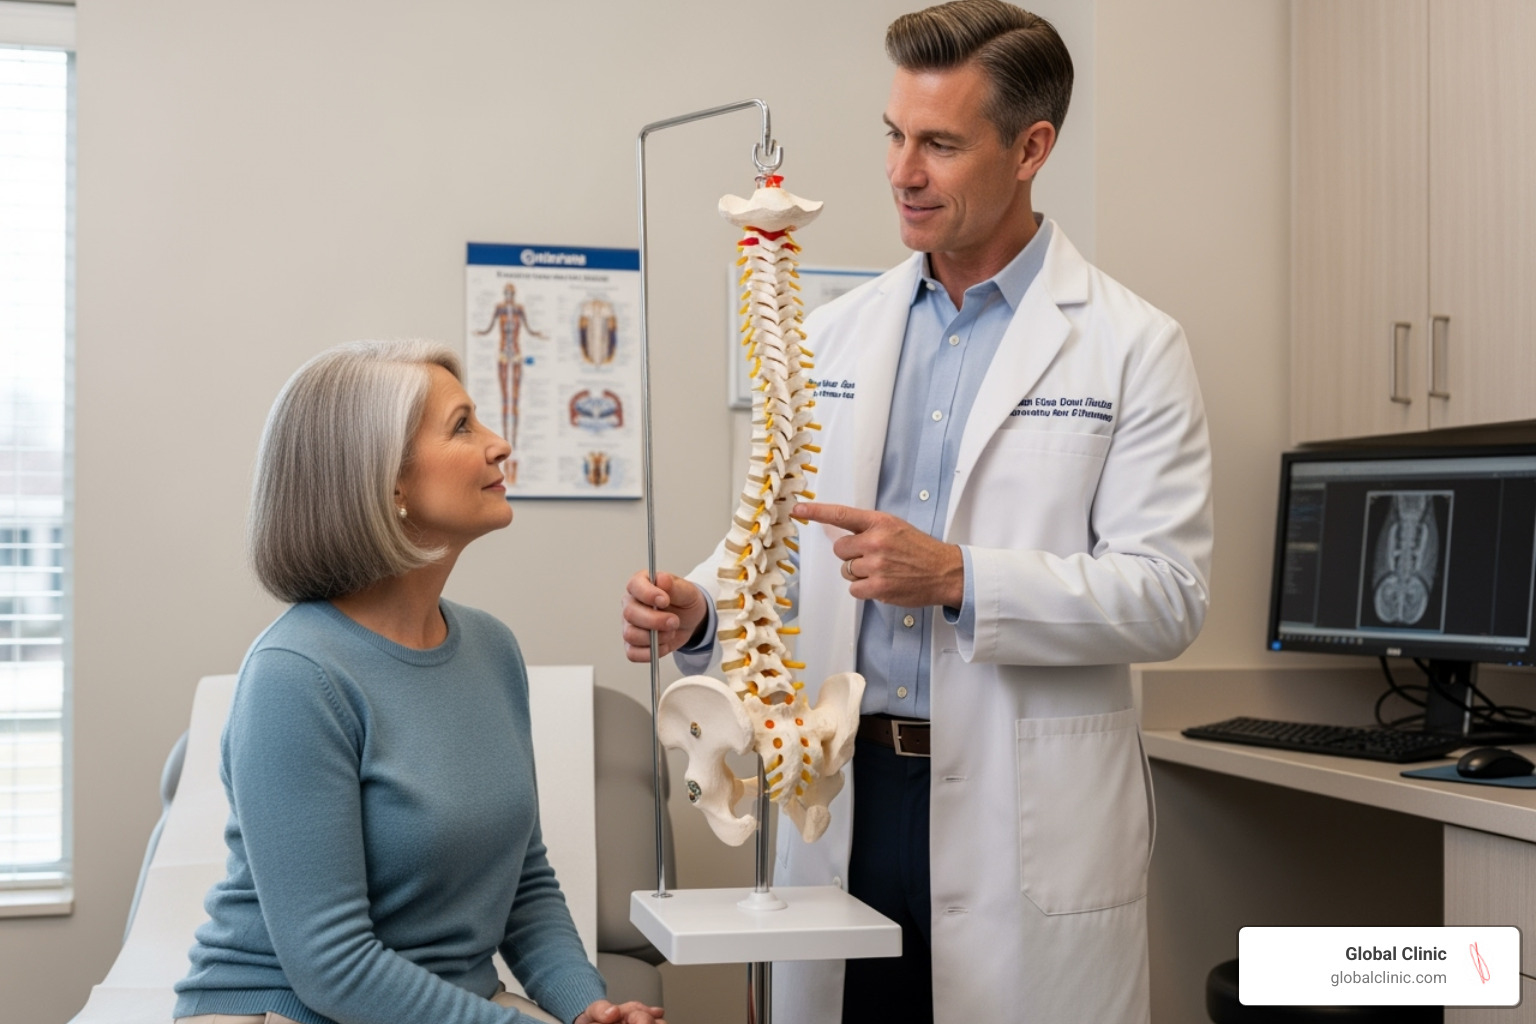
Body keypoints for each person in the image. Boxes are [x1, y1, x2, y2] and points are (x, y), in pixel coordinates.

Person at [620, 3, 1212, 1022]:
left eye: (939, 143)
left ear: (1032, 148)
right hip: (844, 787)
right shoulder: (839, 333)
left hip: (1021, 800)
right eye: (893, 135)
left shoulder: (1131, 346)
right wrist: (701, 608)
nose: (901, 171)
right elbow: (769, 540)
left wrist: (962, 578)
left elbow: (1169, 595)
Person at [174, 341, 664, 1024]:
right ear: (387, 483)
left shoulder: (492, 649)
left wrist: (587, 1008)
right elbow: (333, 967)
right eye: (463, 425)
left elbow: (523, 883)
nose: (499, 445)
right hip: (288, 1011)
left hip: (451, 1005)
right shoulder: (296, 676)